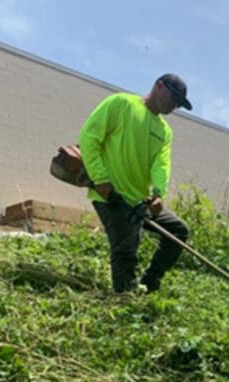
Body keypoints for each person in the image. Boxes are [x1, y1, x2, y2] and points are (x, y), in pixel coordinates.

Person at [79, 73, 193, 293]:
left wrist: (159, 194)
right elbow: (89, 137)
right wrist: (100, 179)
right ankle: (126, 303)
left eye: (179, 104)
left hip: (141, 201)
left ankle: (150, 283)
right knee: (126, 251)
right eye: (174, 98)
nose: (174, 106)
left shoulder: (164, 131)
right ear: (159, 86)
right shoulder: (122, 103)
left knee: (179, 232)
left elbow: (161, 164)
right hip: (111, 195)